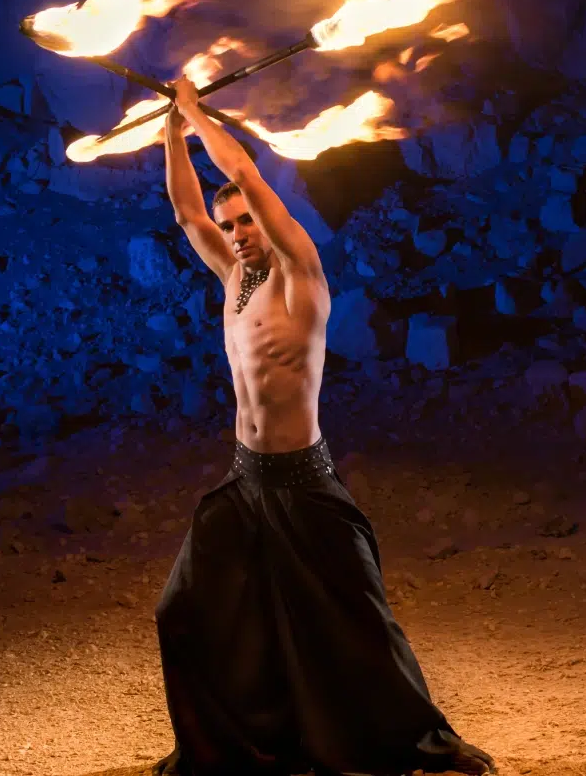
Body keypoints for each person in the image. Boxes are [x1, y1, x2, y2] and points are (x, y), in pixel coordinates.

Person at [154, 76, 495, 776]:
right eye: (232, 226)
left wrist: (195, 110)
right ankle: (237, 745)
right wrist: (169, 130)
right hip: (245, 484)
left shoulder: (300, 274)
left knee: (357, 621)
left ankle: (426, 739)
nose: (238, 234)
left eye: (249, 221)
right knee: (182, 612)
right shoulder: (233, 280)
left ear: (271, 223)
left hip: (304, 483)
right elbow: (189, 213)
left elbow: (243, 171)